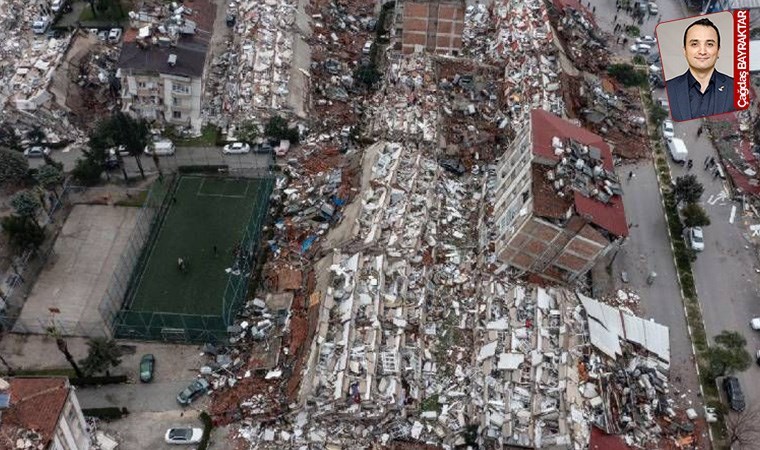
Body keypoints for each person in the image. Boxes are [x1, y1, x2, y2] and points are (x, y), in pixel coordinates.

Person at [665, 18, 735, 121]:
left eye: (709, 44)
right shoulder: (668, 90)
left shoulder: (737, 89)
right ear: (685, 50)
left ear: (718, 51)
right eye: (694, 44)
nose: (702, 51)